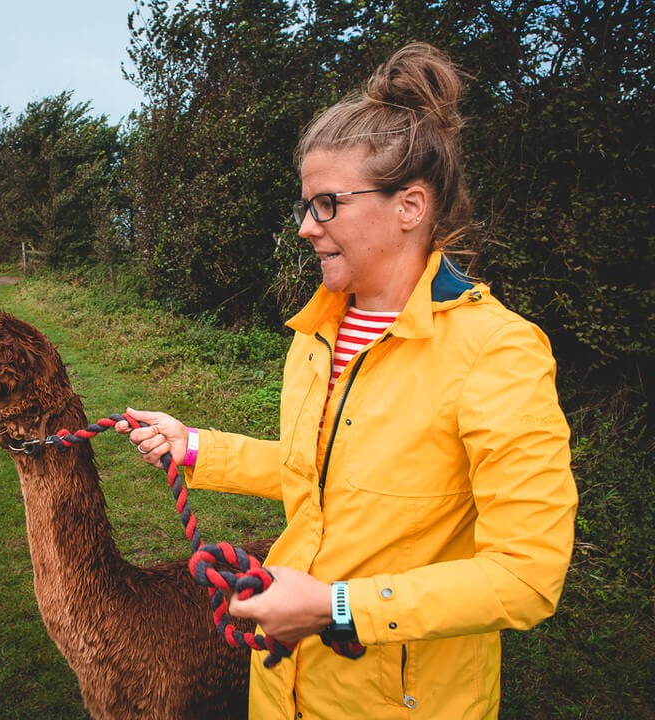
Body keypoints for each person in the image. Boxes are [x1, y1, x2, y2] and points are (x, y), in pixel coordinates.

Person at [116, 43, 577, 719]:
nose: (307, 228)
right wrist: (194, 447)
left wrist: (338, 608)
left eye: (327, 204)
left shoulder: (497, 352)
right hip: (281, 689)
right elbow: (322, 477)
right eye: (306, 205)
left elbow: (528, 575)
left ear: (409, 206)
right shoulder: (316, 333)